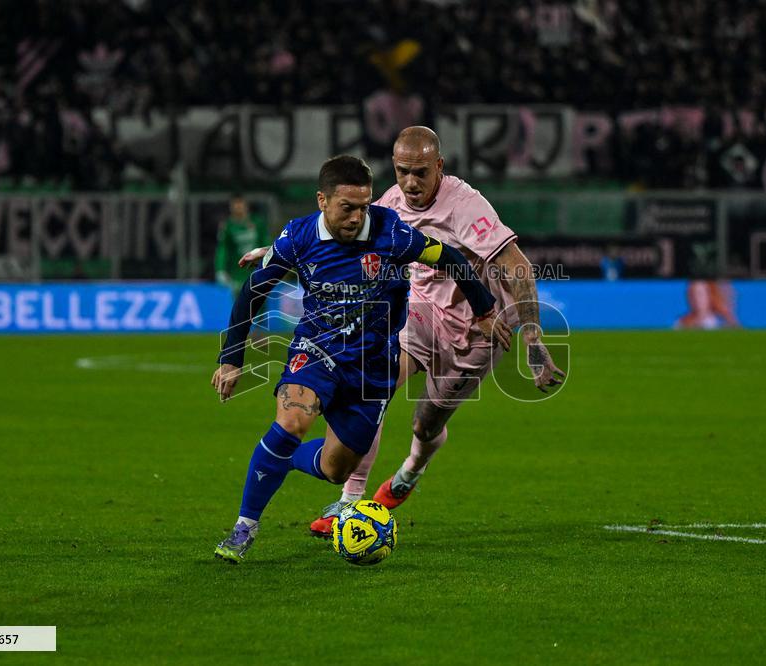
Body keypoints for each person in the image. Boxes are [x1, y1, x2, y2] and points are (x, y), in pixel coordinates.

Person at [240, 127, 565, 537]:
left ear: (439, 168)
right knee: (374, 389)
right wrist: (273, 254)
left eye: (420, 173)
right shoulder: (389, 203)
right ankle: (350, 502)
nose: (410, 183)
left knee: (425, 425)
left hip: (478, 332)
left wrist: (533, 341)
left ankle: (411, 470)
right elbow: (338, 231)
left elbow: (518, 266)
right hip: (420, 314)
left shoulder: (466, 206)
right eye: (402, 172)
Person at [211, 155, 510, 563]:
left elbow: (451, 259)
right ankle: (245, 528)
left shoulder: (392, 234)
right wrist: (231, 359)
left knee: (335, 468)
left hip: (373, 367)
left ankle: (281, 455)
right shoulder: (298, 237)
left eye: (364, 206)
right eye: (347, 207)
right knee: (292, 421)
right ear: (322, 201)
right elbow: (253, 292)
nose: (356, 217)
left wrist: (485, 311)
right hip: (316, 349)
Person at [215, 195, 268, 292]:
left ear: (246, 206)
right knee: (241, 302)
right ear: (231, 208)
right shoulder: (228, 226)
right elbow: (223, 249)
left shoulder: (257, 223)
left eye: (240, 205)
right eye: (235, 205)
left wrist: (270, 263)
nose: (238, 208)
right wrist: (220, 269)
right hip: (237, 273)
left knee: (260, 303)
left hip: (257, 270)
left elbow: (266, 244)